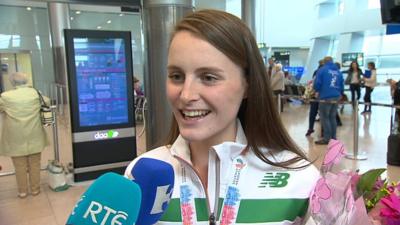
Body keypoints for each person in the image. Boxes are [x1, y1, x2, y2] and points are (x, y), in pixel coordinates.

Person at [125, 10, 320, 224]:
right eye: (176, 76)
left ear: (247, 85)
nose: (186, 95)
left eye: (209, 77)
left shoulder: (300, 180)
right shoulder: (142, 173)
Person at [0, 72, 48, 198]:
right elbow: (47, 102)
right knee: (35, 163)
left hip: (15, 136)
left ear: (12, 82)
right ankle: (35, 189)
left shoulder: (5, 96)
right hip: (34, 133)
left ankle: (22, 191)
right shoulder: (35, 93)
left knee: (19, 165)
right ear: (26, 81)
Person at [313, 56, 344, 145]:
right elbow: (341, 83)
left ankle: (326, 138)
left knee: (324, 117)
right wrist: (340, 93)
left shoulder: (322, 70)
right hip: (336, 96)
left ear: (324, 62)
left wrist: (317, 90)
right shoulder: (338, 71)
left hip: (325, 96)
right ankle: (333, 137)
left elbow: (317, 83)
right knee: (332, 117)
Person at [305, 59, 324, 136]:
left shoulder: (316, 72)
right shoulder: (325, 72)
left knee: (313, 113)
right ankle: (322, 130)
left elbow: (313, 83)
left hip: (315, 95)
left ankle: (310, 128)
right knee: (322, 114)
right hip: (322, 96)